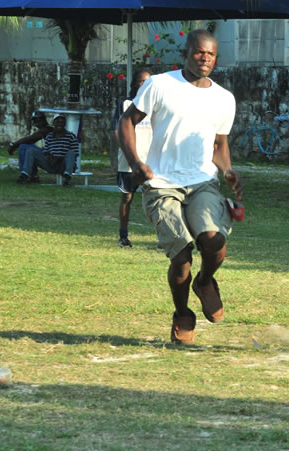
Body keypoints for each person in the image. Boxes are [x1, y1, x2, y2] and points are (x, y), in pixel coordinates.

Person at [117, 29, 242, 345]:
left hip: (202, 182)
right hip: (161, 184)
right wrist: (136, 164)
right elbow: (126, 122)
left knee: (214, 242)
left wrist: (227, 170)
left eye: (211, 54)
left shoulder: (224, 98)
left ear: (216, 58)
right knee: (182, 255)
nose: (205, 58)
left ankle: (205, 281)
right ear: (186, 53)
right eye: (199, 52)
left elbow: (220, 144)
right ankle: (183, 313)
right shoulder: (159, 84)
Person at [113, 68, 153, 248]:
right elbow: (117, 131)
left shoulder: (156, 105)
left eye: (148, 81)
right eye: (141, 81)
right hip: (130, 162)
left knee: (159, 199)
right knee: (127, 198)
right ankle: (123, 236)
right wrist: (130, 155)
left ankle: (165, 237)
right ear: (135, 84)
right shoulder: (125, 104)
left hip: (151, 162)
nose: (145, 85)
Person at [17, 114, 79, 186]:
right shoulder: (49, 136)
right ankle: (25, 175)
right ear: (54, 123)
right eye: (57, 122)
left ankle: (67, 177)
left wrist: (60, 158)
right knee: (31, 150)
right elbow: (46, 151)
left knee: (71, 152)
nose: (59, 124)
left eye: (62, 122)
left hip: (63, 165)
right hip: (51, 164)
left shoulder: (71, 136)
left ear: (65, 124)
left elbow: (75, 154)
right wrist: (50, 157)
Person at [8, 110, 53, 183]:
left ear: (44, 120)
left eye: (38, 120)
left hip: (53, 162)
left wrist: (14, 145)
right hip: (51, 159)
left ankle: (27, 175)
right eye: (35, 121)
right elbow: (30, 140)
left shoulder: (46, 129)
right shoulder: (47, 129)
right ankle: (32, 176)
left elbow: (30, 139)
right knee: (26, 147)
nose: (36, 123)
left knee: (24, 147)